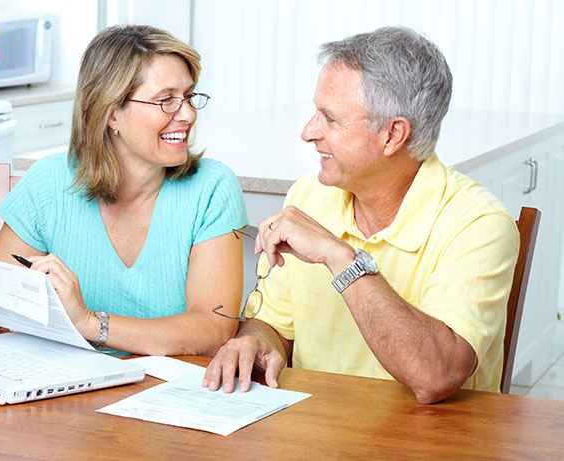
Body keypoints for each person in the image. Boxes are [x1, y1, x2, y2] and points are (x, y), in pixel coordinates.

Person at [203, 26, 519, 404]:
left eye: (330, 119)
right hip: (316, 429)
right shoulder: (309, 194)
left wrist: (339, 257)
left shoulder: (478, 224)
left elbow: (436, 375)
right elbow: (272, 322)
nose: (308, 132)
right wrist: (256, 341)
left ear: (392, 135)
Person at [0, 25, 248, 356]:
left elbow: (213, 331)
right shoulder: (50, 182)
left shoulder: (213, 188)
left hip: (169, 391)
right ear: (112, 113)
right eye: (166, 101)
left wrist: (89, 323)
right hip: (65, 390)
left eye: (188, 97)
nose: (187, 114)